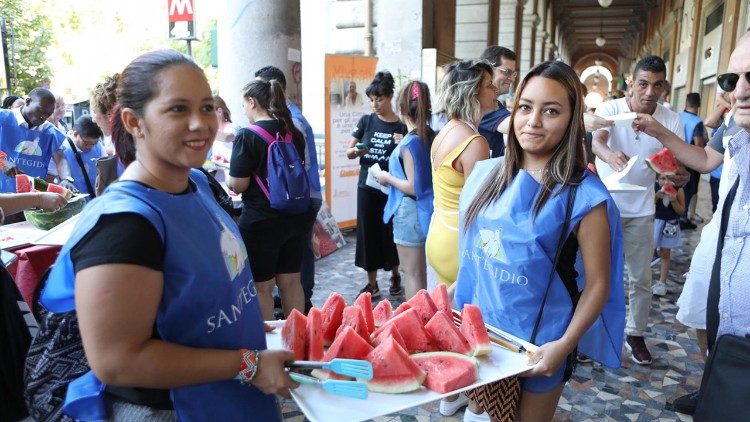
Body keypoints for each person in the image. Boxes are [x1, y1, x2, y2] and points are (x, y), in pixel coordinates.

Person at [24, 49, 297, 421]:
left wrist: (241, 326)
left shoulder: (197, 184)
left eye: (206, 107)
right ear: (133, 121)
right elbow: (118, 362)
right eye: (178, 109)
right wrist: (247, 363)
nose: (200, 123)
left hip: (236, 401)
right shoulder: (122, 224)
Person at [455, 60, 624, 422]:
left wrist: (563, 346)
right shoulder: (486, 175)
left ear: (572, 119)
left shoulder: (585, 196)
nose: (533, 121)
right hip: (482, 334)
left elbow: (598, 284)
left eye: (551, 111)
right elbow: (474, 254)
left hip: (541, 345)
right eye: (526, 107)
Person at [592, 55, 683, 366]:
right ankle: (592, 333)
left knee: (641, 277)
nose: (649, 92)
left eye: (657, 85)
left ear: (664, 87)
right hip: (603, 206)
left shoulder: (670, 119)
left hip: (642, 208)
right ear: (631, 82)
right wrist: (608, 153)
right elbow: (597, 141)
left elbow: (675, 163)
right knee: (597, 274)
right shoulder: (610, 109)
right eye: (643, 83)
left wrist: (677, 176)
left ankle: (635, 333)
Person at [227, 78, 315, 320]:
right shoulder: (292, 133)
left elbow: (238, 183)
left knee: (262, 287)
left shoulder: (247, 136)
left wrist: (229, 181)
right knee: (291, 282)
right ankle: (298, 340)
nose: (243, 110)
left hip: (261, 221)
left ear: (252, 102)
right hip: (295, 217)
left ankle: (267, 349)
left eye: (243, 104)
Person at [254, 65, 323, 314]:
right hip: (303, 195)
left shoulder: (290, 122)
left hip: (300, 196)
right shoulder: (289, 117)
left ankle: (301, 308)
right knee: (297, 253)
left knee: (297, 257)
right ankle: (297, 307)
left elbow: (296, 168)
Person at [426, 60, 495, 291]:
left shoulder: (445, 132)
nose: (496, 90)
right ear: (472, 92)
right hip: (459, 242)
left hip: (439, 234)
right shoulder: (475, 142)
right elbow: (480, 208)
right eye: (489, 85)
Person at [346, 71, 407, 298]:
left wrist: (403, 145)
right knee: (368, 233)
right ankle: (371, 283)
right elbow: (349, 151)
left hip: (391, 187)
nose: (375, 104)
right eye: (371, 100)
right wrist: (358, 150)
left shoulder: (401, 126)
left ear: (390, 97)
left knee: (391, 232)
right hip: (367, 187)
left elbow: (406, 157)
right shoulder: (366, 121)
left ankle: (395, 274)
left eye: (379, 99)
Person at [376, 80, 434, 299]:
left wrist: (386, 177)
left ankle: (416, 325)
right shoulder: (431, 136)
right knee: (423, 274)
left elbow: (412, 186)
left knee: (412, 275)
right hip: (429, 211)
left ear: (401, 109)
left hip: (410, 213)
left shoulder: (410, 143)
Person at [0, 88, 71, 196]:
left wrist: (66, 178)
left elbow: (60, 159)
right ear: (28, 101)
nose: (44, 117)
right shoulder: (2, 118)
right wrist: (2, 162)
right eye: (41, 110)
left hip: (32, 199)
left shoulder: (51, 132)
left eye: (48, 114)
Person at [478, 45, 517, 157]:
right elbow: (517, 127)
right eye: (507, 72)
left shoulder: (494, 102)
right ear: (487, 70)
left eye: (513, 74)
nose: (512, 79)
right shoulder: (482, 103)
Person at [651, 174, 685, 296]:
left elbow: (681, 210)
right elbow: (649, 206)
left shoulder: (679, 189)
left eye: (670, 178)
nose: (666, 182)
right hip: (655, 223)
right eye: (662, 179)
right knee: (649, 251)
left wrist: (674, 201)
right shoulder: (654, 188)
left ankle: (662, 282)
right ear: (657, 179)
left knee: (665, 253)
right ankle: (645, 279)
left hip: (670, 224)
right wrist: (656, 197)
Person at [678, 93, 708, 230]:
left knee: (679, 187)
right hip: (691, 161)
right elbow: (698, 144)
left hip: (677, 157)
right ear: (698, 105)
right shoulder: (697, 122)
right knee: (690, 189)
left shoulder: (678, 116)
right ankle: (683, 219)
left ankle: (677, 214)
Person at [60, 116, 105, 199]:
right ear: (75, 134)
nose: (90, 147)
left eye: (94, 144)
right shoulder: (61, 149)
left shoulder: (99, 146)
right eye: (86, 143)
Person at [211, 95, 237, 164]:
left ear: (219, 112)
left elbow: (227, 138)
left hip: (232, 173)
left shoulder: (233, 127)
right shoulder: (216, 132)